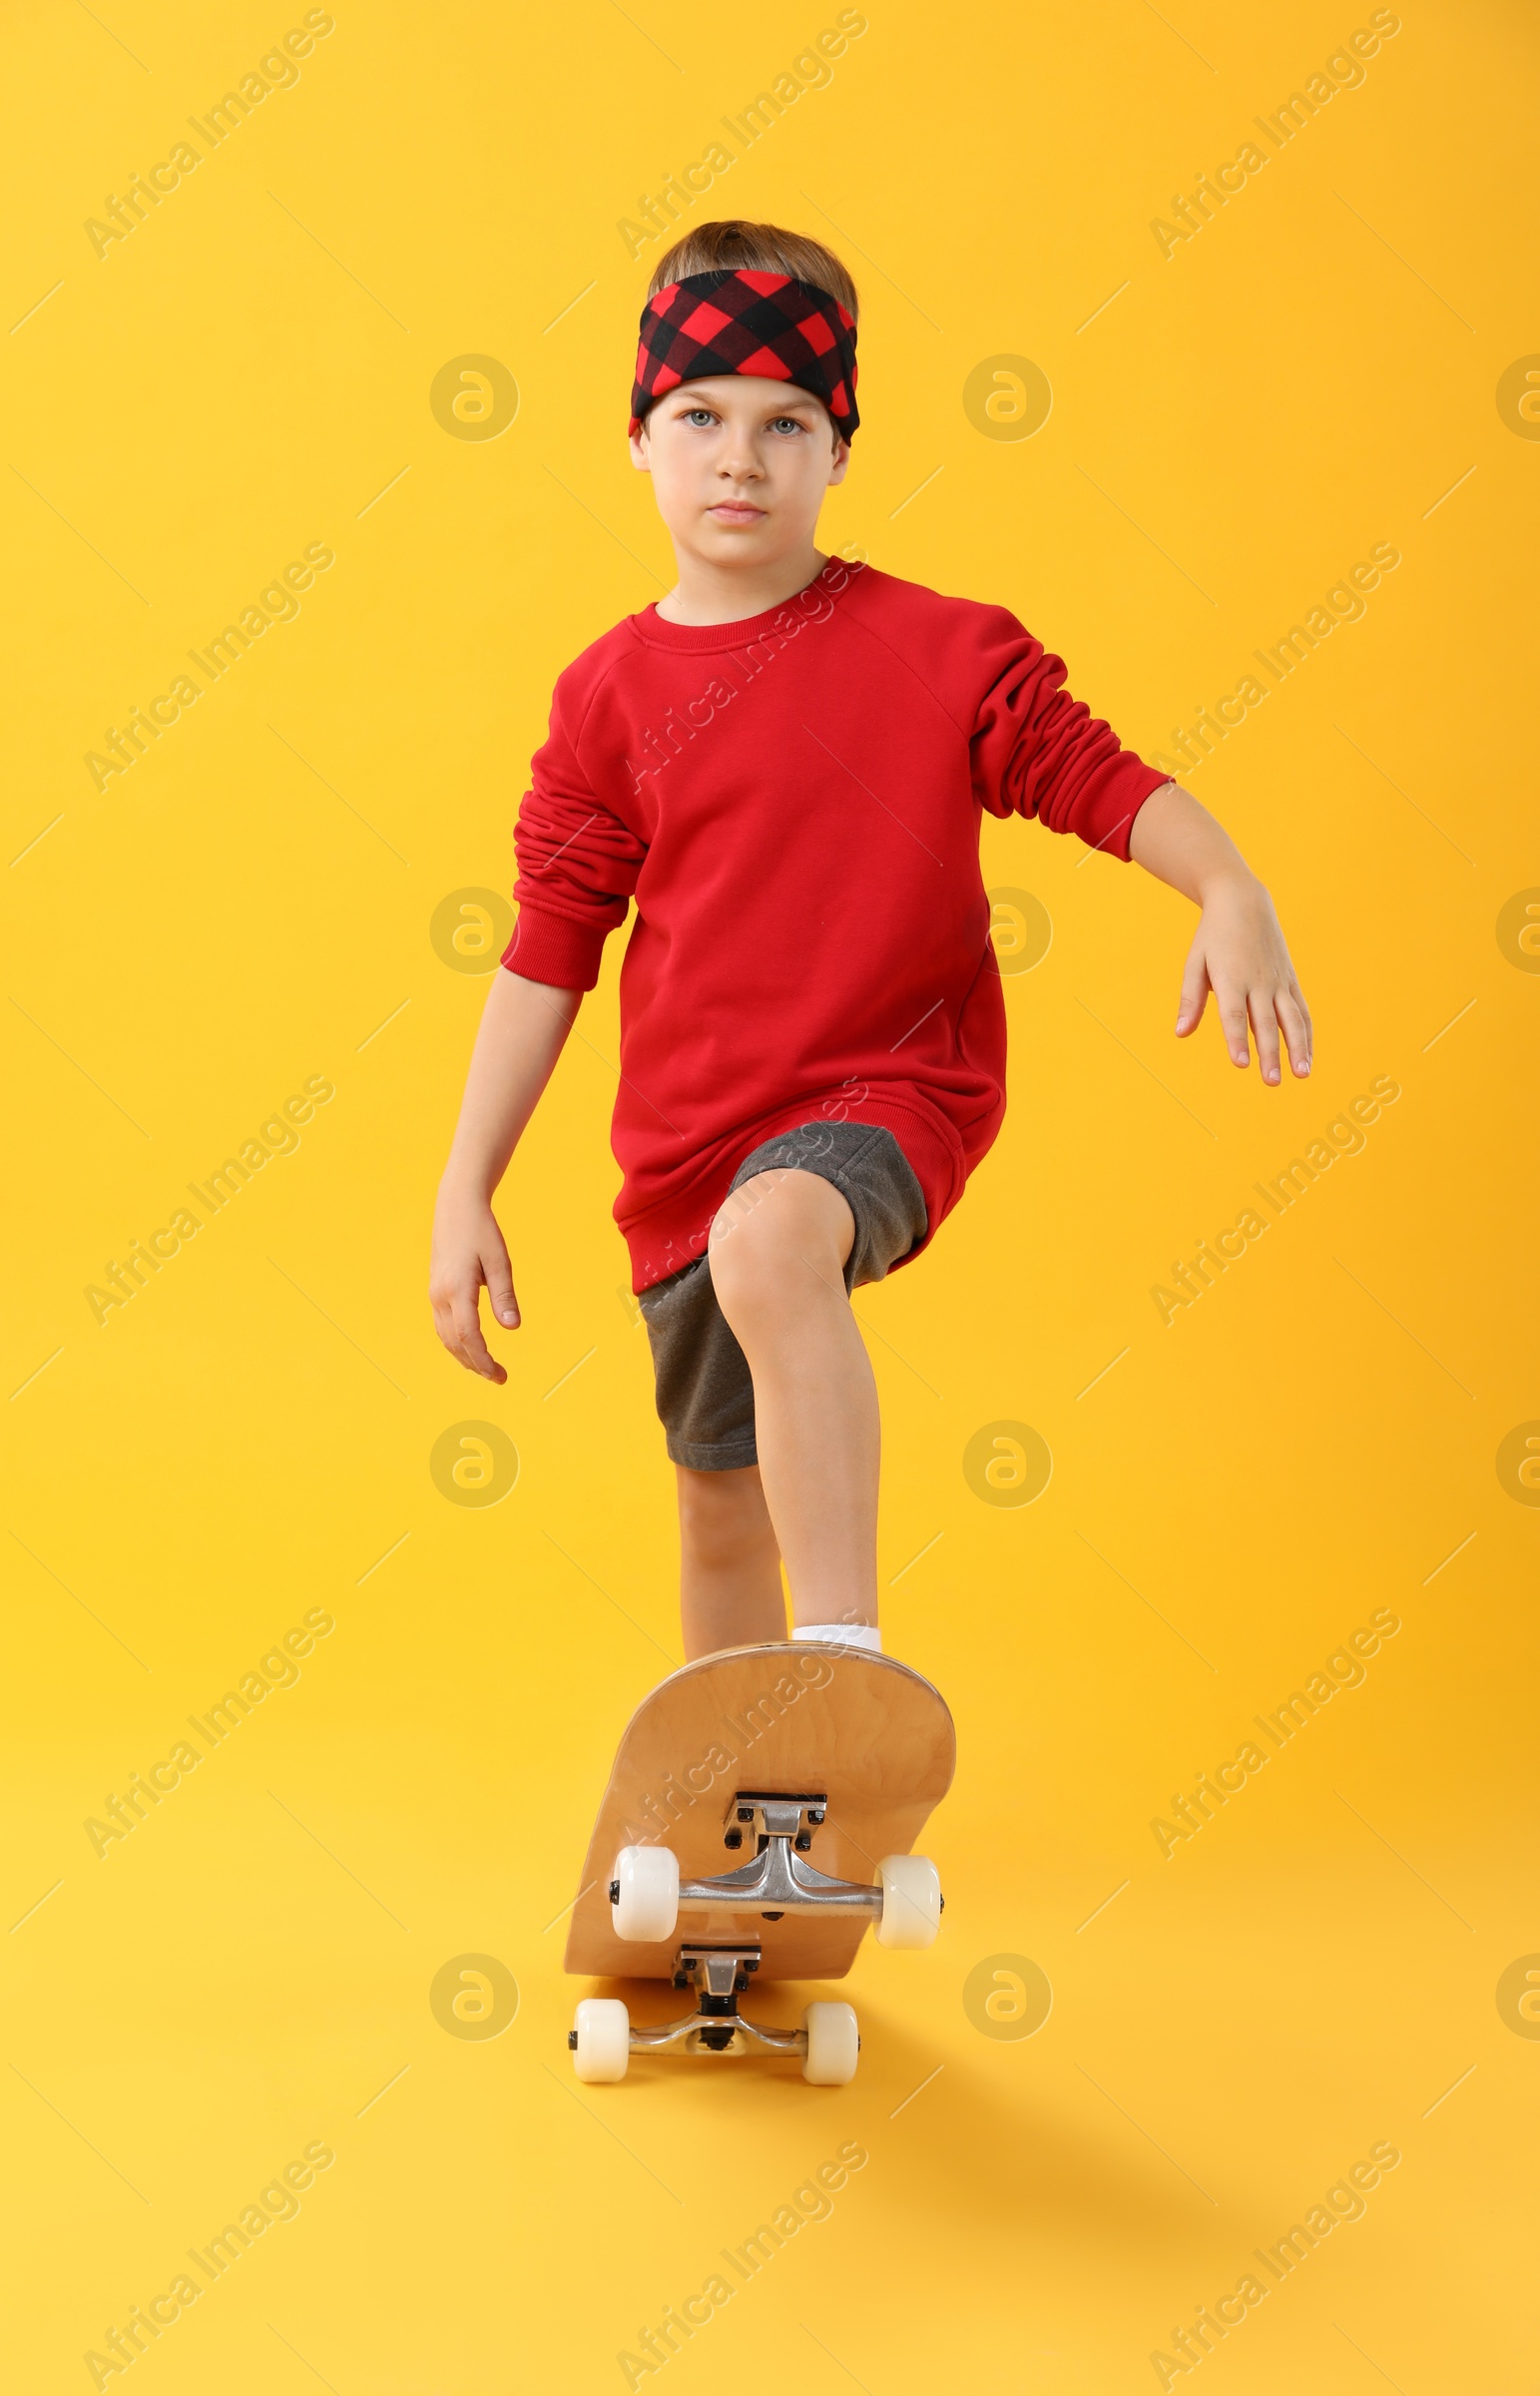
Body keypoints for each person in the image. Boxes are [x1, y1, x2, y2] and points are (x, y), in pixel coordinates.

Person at [429, 218, 1311, 1667]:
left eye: (786, 424)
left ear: (838, 449)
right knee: (719, 1510)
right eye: (700, 419)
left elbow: (1097, 777)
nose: (739, 459)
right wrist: (466, 1186)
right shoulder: (605, 699)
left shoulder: (937, 649)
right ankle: (744, 1799)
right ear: (639, 440)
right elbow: (546, 954)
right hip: (685, 1143)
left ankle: (843, 1664)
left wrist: (1227, 885)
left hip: (891, 1088)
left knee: (776, 1236)